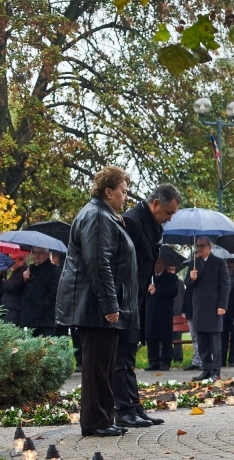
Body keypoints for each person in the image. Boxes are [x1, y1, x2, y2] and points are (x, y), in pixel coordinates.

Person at [55, 165, 138, 437]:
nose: (126, 197)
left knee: (103, 365)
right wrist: (110, 305)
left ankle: (102, 418)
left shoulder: (104, 215)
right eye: (123, 192)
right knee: (97, 367)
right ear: (108, 191)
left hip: (95, 303)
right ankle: (95, 422)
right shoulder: (98, 216)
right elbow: (99, 263)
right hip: (94, 305)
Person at [114, 184, 181, 429]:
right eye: (168, 212)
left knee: (129, 354)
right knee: (121, 356)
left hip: (139, 297)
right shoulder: (131, 221)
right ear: (154, 204)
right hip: (126, 297)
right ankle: (123, 409)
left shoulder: (152, 225)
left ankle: (133, 406)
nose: (169, 218)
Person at [189, 237, 231, 382]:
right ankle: (206, 369)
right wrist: (191, 278)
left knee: (215, 343)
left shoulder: (219, 263)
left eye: (202, 246)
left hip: (214, 308)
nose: (199, 249)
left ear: (209, 247)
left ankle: (215, 371)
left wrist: (222, 305)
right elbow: (190, 287)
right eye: (197, 246)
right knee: (202, 342)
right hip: (199, 308)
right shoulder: (193, 264)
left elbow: (225, 285)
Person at [144, 258, 179, 371]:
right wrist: (147, 289)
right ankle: (153, 361)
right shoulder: (149, 278)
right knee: (151, 337)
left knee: (166, 338)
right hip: (151, 312)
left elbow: (173, 291)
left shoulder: (171, 278)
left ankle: (165, 361)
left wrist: (157, 290)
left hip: (164, 312)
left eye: (157, 263)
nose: (154, 265)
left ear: (163, 264)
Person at [20, 247, 60, 336]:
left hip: (45, 318)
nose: (37, 255)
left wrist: (41, 306)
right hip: (30, 318)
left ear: (47, 255)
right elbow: (21, 290)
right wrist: (23, 279)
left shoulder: (54, 270)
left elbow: (55, 292)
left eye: (40, 253)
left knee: (46, 347)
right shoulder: (30, 268)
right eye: (35, 252)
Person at [222, 260, 234, 368]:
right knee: (223, 337)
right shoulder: (222, 276)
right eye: (228, 267)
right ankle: (222, 359)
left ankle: (232, 359)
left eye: (231, 267)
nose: (229, 269)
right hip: (224, 311)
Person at [1, 252, 27, 326]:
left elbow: (16, 286)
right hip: (8, 309)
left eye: (14, 259)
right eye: (10, 258)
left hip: (15, 310)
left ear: (22, 261)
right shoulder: (15, 271)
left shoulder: (24, 271)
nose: (11, 261)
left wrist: (4, 282)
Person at [168, 264, 186, 364]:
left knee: (178, 337)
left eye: (173, 269)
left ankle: (178, 357)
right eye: (169, 269)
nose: (171, 271)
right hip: (168, 312)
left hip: (178, 312)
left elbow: (183, 297)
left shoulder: (180, 283)